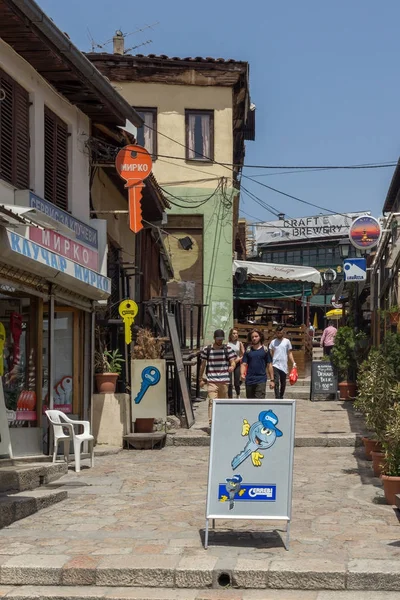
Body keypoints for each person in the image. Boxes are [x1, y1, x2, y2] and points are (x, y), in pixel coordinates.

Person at [199, 329, 236, 427]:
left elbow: (233, 361)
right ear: (214, 338)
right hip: (212, 380)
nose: (220, 341)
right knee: (212, 402)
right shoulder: (207, 350)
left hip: (224, 381)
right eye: (218, 339)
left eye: (221, 339)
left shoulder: (227, 349)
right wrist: (200, 378)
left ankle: (222, 422)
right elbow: (203, 365)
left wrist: (232, 366)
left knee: (223, 403)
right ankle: (212, 424)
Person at [240, 329, 274, 399]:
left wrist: (272, 380)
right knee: (250, 403)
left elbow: (269, 365)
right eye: (252, 337)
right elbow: (244, 364)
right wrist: (242, 374)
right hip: (249, 380)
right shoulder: (248, 351)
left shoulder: (265, 350)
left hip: (261, 380)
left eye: (256, 336)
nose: (254, 338)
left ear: (260, 337)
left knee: (259, 402)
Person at [269, 325, 296, 399]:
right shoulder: (273, 342)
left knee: (283, 382)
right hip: (275, 364)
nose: (279, 334)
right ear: (276, 333)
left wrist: (293, 362)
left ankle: (281, 395)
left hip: (284, 364)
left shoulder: (287, 341)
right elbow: (270, 352)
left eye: (280, 333)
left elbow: (290, 353)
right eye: (278, 333)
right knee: (276, 381)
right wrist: (270, 362)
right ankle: (277, 397)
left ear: (283, 332)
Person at [227, 328, 245, 399]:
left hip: (237, 363)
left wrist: (239, 359)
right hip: (229, 364)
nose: (235, 335)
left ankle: (238, 394)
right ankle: (230, 397)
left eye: (236, 333)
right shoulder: (227, 344)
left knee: (236, 382)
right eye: (234, 333)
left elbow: (244, 354)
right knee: (229, 382)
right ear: (231, 335)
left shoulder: (239, 343)